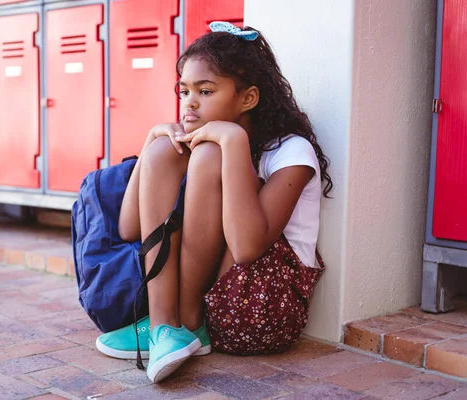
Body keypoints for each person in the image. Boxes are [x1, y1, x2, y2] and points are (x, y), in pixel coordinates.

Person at [95, 21, 333, 383]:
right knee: (165, 148)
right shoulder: (209, 141)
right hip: (216, 299)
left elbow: (247, 247)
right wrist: (150, 143)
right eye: (184, 91)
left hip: (260, 306)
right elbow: (129, 227)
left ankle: (186, 323)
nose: (190, 103)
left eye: (205, 92)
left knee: (208, 155)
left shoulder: (291, 152)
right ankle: (164, 327)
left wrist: (232, 139)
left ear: (248, 99)